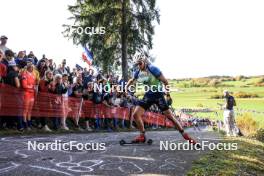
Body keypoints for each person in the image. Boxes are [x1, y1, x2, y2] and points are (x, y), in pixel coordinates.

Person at [125, 53, 199, 145]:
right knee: (136, 114)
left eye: (140, 63)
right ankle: (142, 135)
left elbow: (165, 82)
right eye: (137, 64)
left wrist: (168, 95)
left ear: (144, 61)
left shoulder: (153, 69)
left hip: (159, 95)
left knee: (170, 116)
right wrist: (125, 87)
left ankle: (185, 135)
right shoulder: (138, 72)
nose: (139, 66)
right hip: (148, 95)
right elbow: (132, 80)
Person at [21, 63, 37, 130]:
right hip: (26, 94)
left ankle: (29, 123)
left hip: (32, 94)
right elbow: (24, 85)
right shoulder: (24, 74)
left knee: (30, 110)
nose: (32, 69)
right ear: (28, 68)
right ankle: (25, 123)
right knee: (25, 109)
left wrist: (33, 87)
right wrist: (31, 87)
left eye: (33, 67)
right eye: (31, 67)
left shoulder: (33, 75)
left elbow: (34, 85)